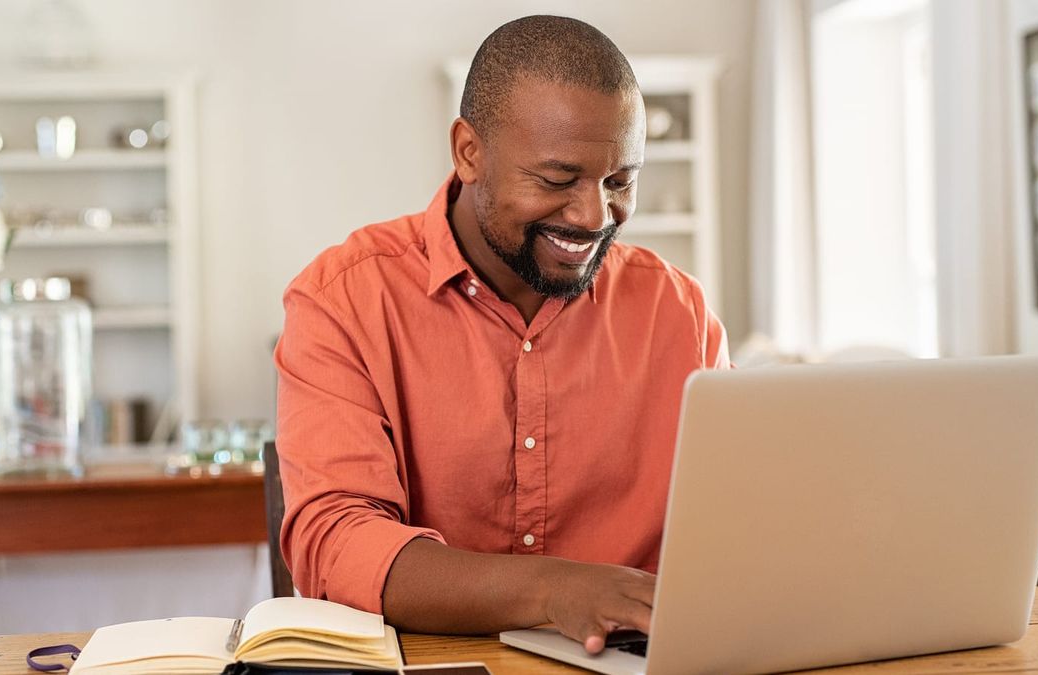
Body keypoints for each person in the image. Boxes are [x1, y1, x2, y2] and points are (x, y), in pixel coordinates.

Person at [273, 15, 730, 655]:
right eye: (557, 179)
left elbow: (731, 532)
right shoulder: (343, 300)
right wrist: (553, 590)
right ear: (469, 152)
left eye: (619, 181)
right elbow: (336, 542)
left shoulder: (679, 312)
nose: (594, 215)